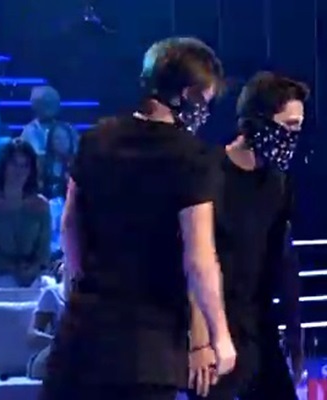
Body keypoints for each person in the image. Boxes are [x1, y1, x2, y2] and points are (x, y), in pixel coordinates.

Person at [40, 37, 236, 400]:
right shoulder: (192, 157)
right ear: (188, 94)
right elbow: (199, 259)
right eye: (205, 101)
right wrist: (219, 335)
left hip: (82, 336)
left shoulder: (97, 138)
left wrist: (81, 283)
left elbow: (69, 224)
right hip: (148, 348)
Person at [187, 71, 307, 400]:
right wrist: (200, 339)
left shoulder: (279, 182)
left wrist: (295, 330)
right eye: (289, 126)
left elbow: (285, 258)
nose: (293, 137)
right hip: (215, 321)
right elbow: (193, 258)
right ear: (258, 121)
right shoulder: (208, 171)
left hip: (260, 326)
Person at [0, 139, 52, 288]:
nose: (19, 171)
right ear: (3, 167)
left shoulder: (41, 205)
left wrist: (33, 269)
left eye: (25, 166)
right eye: (14, 164)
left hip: (33, 275)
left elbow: (44, 252)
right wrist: (13, 269)